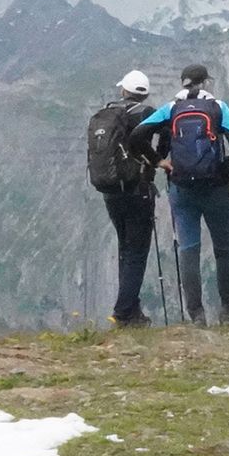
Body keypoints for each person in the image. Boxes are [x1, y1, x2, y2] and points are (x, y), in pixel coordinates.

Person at [129, 64, 229, 326]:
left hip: (182, 188)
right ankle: (227, 312)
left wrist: (158, 161)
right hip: (216, 187)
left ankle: (196, 315)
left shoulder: (171, 109)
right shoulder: (218, 108)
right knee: (224, 249)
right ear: (206, 82)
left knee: (189, 249)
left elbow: (136, 136)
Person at [91, 70, 167, 328]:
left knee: (125, 247)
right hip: (137, 189)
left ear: (124, 90)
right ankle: (123, 313)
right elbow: (166, 133)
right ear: (144, 93)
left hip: (110, 190)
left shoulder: (107, 112)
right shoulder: (147, 113)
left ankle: (132, 312)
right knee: (136, 251)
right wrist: (158, 159)